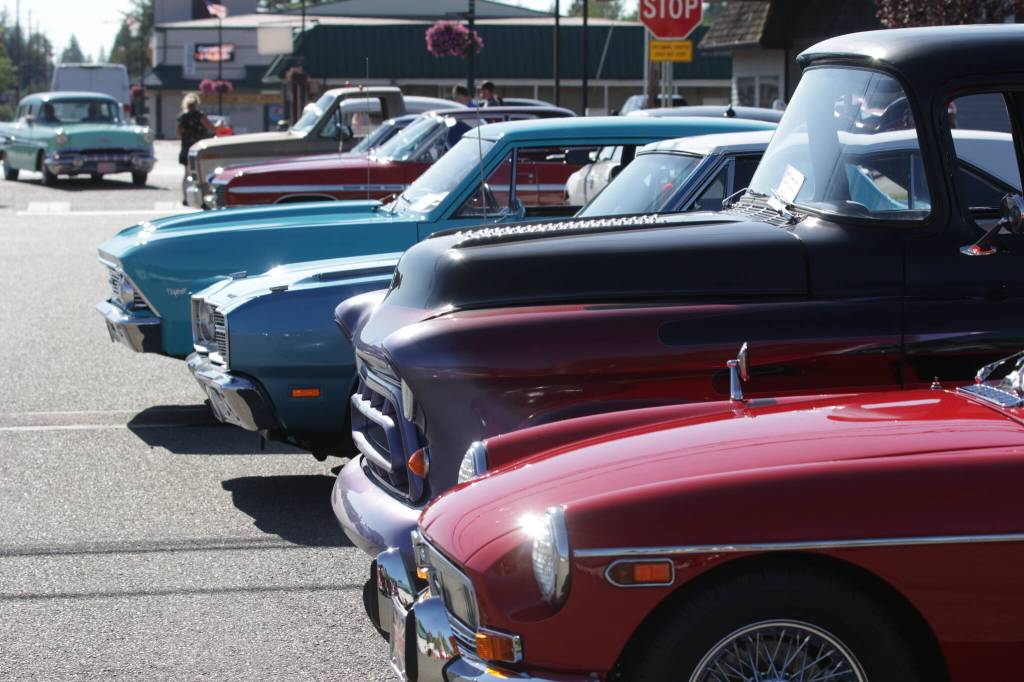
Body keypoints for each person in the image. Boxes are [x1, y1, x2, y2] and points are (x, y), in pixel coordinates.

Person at [176, 93, 214, 167]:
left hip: (186, 148)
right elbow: (211, 127)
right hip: (198, 147)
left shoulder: (182, 117)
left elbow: (178, 133)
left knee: (187, 171)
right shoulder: (200, 115)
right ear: (196, 104)